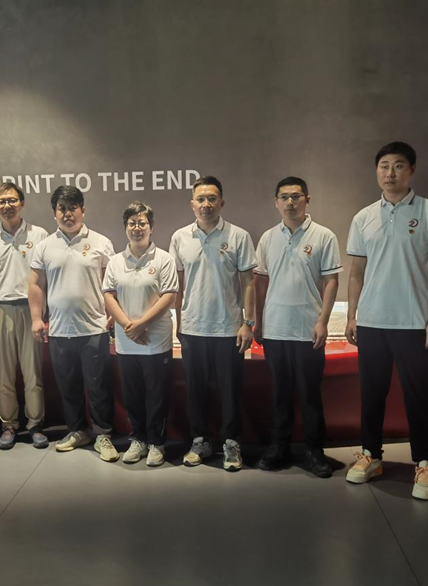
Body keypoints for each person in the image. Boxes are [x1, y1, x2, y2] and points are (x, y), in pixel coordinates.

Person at [344, 142, 428, 500]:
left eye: (398, 165)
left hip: (414, 323)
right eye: (384, 166)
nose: (390, 173)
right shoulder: (363, 217)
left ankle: (425, 462)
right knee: (371, 392)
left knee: (419, 394)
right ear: (376, 171)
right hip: (372, 322)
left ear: (411, 170)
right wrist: (352, 315)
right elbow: (356, 273)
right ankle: (371, 454)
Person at [253, 177, 342, 478]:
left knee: (310, 395)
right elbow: (260, 283)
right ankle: (279, 447)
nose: (290, 202)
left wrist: (323, 321)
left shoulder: (324, 236)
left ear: (307, 199)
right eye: (284, 197)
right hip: (275, 329)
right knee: (280, 393)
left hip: (308, 330)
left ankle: (315, 451)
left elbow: (331, 281)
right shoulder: (268, 238)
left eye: (295, 196)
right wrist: (258, 321)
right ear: (276, 202)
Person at [170, 176, 257, 471]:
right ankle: (200, 441)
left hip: (229, 329)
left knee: (231, 390)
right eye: (200, 199)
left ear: (222, 202)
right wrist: (179, 323)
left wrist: (247, 322)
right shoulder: (180, 237)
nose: (206, 204)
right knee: (195, 390)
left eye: (212, 199)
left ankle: (231, 443)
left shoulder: (239, 236)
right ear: (192, 204)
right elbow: (178, 285)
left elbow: (248, 282)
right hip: (193, 328)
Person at [29, 185, 118, 461]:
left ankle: (103, 434)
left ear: (83, 210)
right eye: (62, 209)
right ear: (54, 213)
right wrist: (36, 318)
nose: (68, 214)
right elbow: (35, 285)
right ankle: (78, 430)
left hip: (94, 328)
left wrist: (113, 314)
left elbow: (112, 284)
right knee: (68, 386)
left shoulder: (101, 243)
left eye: (73, 208)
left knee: (98, 386)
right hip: (59, 330)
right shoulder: (44, 246)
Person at [103, 202, 178, 467]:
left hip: (155, 340)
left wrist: (142, 324)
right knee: (132, 394)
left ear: (151, 227)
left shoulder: (164, 259)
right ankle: (138, 439)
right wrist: (128, 325)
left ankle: (157, 442)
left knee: (157, 394)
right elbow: (109, 295)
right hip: (127, 341)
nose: (137, 228)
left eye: (142, 223)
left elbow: (169, 296)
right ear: (125, 228)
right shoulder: (115, 261)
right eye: (132, 223)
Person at [0, 182, 49, 449]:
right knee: (4, 374)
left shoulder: (39, 235)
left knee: (33, 372)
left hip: (31, 310)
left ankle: (35, 424)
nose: (7, 205)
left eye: (12, 200)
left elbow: (45, 278)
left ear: (22, 203)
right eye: (1, 201)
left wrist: (44, 314)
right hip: (0, 308)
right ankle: (8, 425)